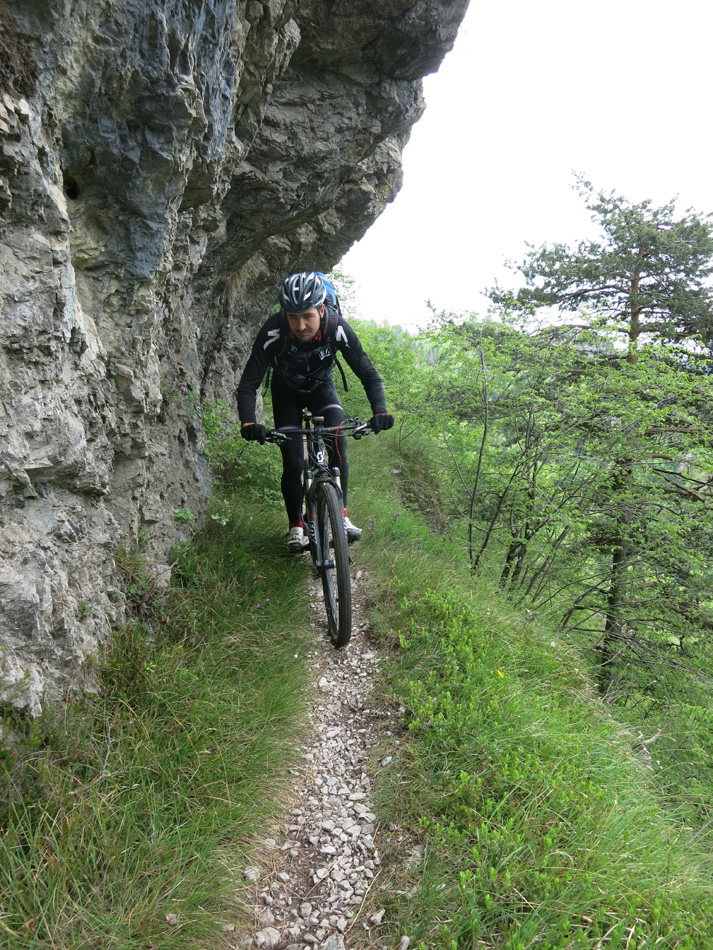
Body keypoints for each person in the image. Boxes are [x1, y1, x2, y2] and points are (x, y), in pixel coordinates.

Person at [237, 271, 394, 551]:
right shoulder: (273, 331)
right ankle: (295, 526)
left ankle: (341, 515)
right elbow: (249, 382)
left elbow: (368, 374)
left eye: (307, 316)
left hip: (322, 389)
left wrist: (380, 411)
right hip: (286, 394)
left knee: (338, 446)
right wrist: (249, 422)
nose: (300, 325)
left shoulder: (336, 327)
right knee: (294, 461)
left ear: (322, 309)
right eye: (293, 317)